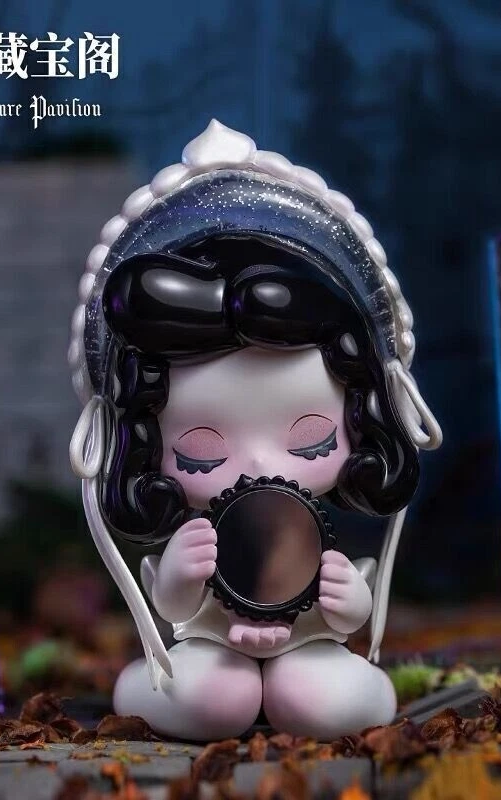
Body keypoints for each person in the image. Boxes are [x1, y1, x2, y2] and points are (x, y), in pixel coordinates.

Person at [69, 121, 441, 740]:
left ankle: (354, 686)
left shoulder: (310, 532)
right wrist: (182, 578)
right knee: (215, 696)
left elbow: (347, 615)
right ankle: (152, 682)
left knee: (316, 696)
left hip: (308, 643)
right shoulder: (201, 530)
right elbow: (176, 607)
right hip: (212, 643)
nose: (262, 469)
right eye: (198, 453)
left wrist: (346, 601)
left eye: (312, 442)